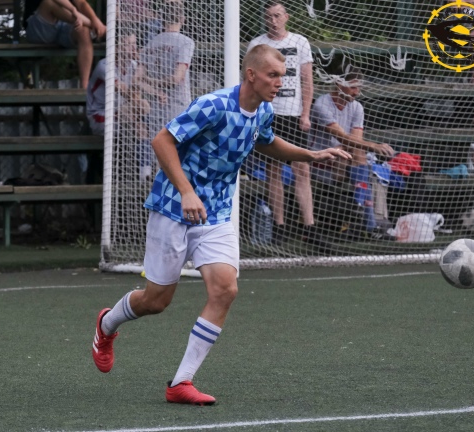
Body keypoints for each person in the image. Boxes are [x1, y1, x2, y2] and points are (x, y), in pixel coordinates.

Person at [91, 44, 352, 405]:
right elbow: (161, 140)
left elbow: (266, 142)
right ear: (251, 75)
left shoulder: (263, 110)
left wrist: (310, 154)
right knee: (156, 301)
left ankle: (181, 382)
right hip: (173, 207)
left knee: (225, 290)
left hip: (215, 214)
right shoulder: (213, 105)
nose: (280, 82)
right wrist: (186, 192)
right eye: (273, 75)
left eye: (283, 76)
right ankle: (107, 324)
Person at [246, 1, 316, 244]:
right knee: (272, 170)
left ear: (286, 17)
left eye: (277, 15)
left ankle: (310, 227)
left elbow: (307, 80)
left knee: (302, 168)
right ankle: (279, 227)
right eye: (269, 16)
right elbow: (249, 81)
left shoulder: (300, 42)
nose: (273, 21)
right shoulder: (257, 44)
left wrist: (305, 114)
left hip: (294, 114)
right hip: (268, 114)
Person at [309, 65, 395, 239]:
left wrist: (350, 147)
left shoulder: (357, 107)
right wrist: (374, 146)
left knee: (359, 155)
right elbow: (344, 138)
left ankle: (361, 214)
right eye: (353, 87)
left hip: (345, 157)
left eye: (359, 87)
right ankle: (366, 222)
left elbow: (355, 141)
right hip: (319, 159)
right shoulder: (321, 104)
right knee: (357, 155)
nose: (357, 92)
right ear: (339, 84)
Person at [86, 33, 166, 180]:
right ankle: (155, 161)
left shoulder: (133, 65)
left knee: (141, 125)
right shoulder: (105, 66)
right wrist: (138, 88)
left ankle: (145, 174)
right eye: (129, 44)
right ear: (117, 47)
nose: (133, 48)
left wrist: (157, 93)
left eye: (134, 44)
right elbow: (125, 91)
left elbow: (141, 83)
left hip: (124, 113)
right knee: (143, 108)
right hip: (101, 116)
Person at [139, 1, 195, 141]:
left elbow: (137, 79)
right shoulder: (186, 42)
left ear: (162, 18)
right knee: (177, 149)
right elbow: (177, 78)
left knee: (158, 148)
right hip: (178, 105)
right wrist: (154, 82)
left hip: (156, 106)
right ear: (183, 19)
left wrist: (153, 89)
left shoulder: (151, 42)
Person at [23, 0, 107, 89]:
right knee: (49, 3)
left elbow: (82, 3)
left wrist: (95, 19)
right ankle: (99, 28)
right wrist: (74, 10)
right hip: (39, 28)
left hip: (63, 26)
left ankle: (84, 87)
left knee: (84, 32)